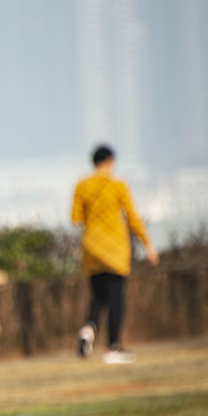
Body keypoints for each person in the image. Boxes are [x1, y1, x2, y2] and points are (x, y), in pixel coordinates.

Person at [71, 144, 158, 364]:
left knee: (98, 295)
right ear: (110, 161)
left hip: (91, 247)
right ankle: (113, 348)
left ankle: (88, 328)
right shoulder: (117, 185)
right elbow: (132, 216)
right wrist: (147, 244)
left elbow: (76, 218)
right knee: (116, 298)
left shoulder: (82, 185)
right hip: (116, 247)